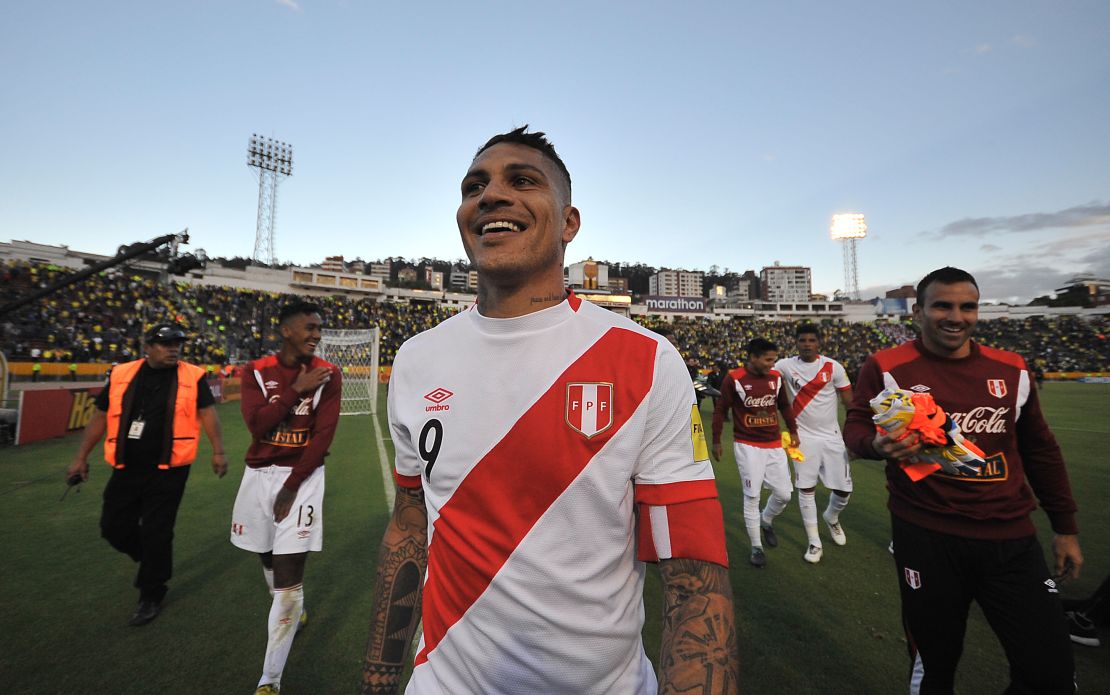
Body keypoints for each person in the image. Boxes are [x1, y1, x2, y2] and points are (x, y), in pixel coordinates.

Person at [360, 126, 738, 694]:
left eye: (522, 181)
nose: (491, 195)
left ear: (568, 222)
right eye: (474, 186)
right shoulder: (418, 359)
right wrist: (379, 678)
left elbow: (693, 572)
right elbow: (411, 524)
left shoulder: (646, 359)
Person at [843, 266, 1082, 694]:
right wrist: (874, 446)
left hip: (1010, 538)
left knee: (1051, 674)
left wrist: (1065, 527)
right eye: (942, 306)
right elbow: (857, 424)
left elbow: (1041, 449)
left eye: (967, 306)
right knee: (935, 667)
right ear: (917, 312)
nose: (956, 316)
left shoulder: (1012, 369)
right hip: (926, 535)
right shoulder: (887, 364)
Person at [66, 322, 226, 626]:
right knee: (112, 527)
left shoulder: (192, 376)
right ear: (148, 347)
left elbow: (208, 413)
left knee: (157, 531)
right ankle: (152, 560)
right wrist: (80, 457)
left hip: (169, 470)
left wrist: (218, 451)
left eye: (177, 343)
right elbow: (100, 416)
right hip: (127, 467)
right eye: (166, 344)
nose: (173, 349)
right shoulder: (122, 374)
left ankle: (151, 593)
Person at [231, 300, 342, 695]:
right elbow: (258, 427)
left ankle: (269, 681)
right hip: (258, 477)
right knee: (265, 555)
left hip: (304, 478)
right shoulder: (256, 372)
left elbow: (323, 437)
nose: (316, 334)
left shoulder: (329, 374)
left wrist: (292, 485)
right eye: (309, 328)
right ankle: (292, 610)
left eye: (319, 329)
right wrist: (295, 391)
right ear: (286, 331)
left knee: (289, 578)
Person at [712, 337, 798, 568]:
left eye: (774, 359)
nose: (772, 364)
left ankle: (766, 520)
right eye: (768, 359)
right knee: (752, 497)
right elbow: (721, 410)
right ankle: (756, 547)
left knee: (784, 494)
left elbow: (784, 406)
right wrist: (716, 441)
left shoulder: (776, 378)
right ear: (753, 358)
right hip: (747, 445)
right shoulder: (735, 379)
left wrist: (793, 430)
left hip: (773, 444)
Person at [774, 323, 854, 564]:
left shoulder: (833, 367)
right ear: (796, 343)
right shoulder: (785, 366)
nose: (807, 344)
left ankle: (831, 517)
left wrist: (853, 433)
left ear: (819, 343)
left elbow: (850, 403)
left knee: (843, 490)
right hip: (802, 438)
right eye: (802, 340)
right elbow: (764, 376)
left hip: (832, 437)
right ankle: (814, 542)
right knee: (806, 489)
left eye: (811, 340)